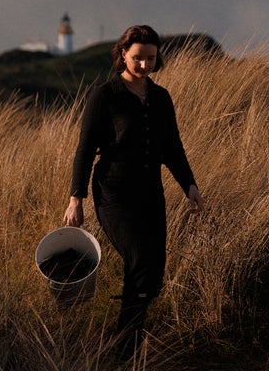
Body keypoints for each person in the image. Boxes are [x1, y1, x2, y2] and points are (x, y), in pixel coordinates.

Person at [64, 25, 206, 349]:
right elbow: (85, 149)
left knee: (153, 270)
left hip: (150, 192)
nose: (144, 65)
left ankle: (130, 338)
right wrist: (76, 198)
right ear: (123, 55)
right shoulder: (105, 95)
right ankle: (126, 349)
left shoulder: (161, 97)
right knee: (140, 259)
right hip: (113, 193)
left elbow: (172, 147)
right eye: (138, 58)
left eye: (151, 59)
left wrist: (190, 185)